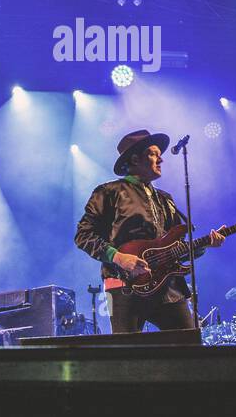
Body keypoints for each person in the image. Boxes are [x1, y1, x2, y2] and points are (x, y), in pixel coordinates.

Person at [74, 129, 224, 333]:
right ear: (135, 159)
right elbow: (83, 235)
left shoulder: (165, 199)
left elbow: (177, 248)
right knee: (129, 354)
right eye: (153, 153)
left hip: (168, 286)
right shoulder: (109, 192)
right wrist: (118, 258)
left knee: (189, 346)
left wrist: (204, 245)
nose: (161, 158)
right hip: (124, 285)